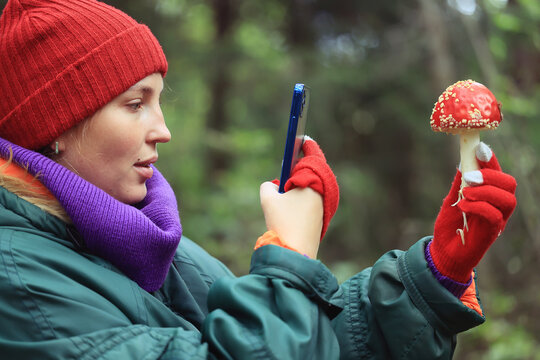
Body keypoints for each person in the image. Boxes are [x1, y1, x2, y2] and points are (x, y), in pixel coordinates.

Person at [0, 1, 517, 359]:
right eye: (135, 104)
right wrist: (291, 256)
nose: (164, 130)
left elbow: (305, 344)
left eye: (160, 100)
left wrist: (430, 278)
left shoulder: (157, 243)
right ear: (55, 127)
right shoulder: (16, 282)